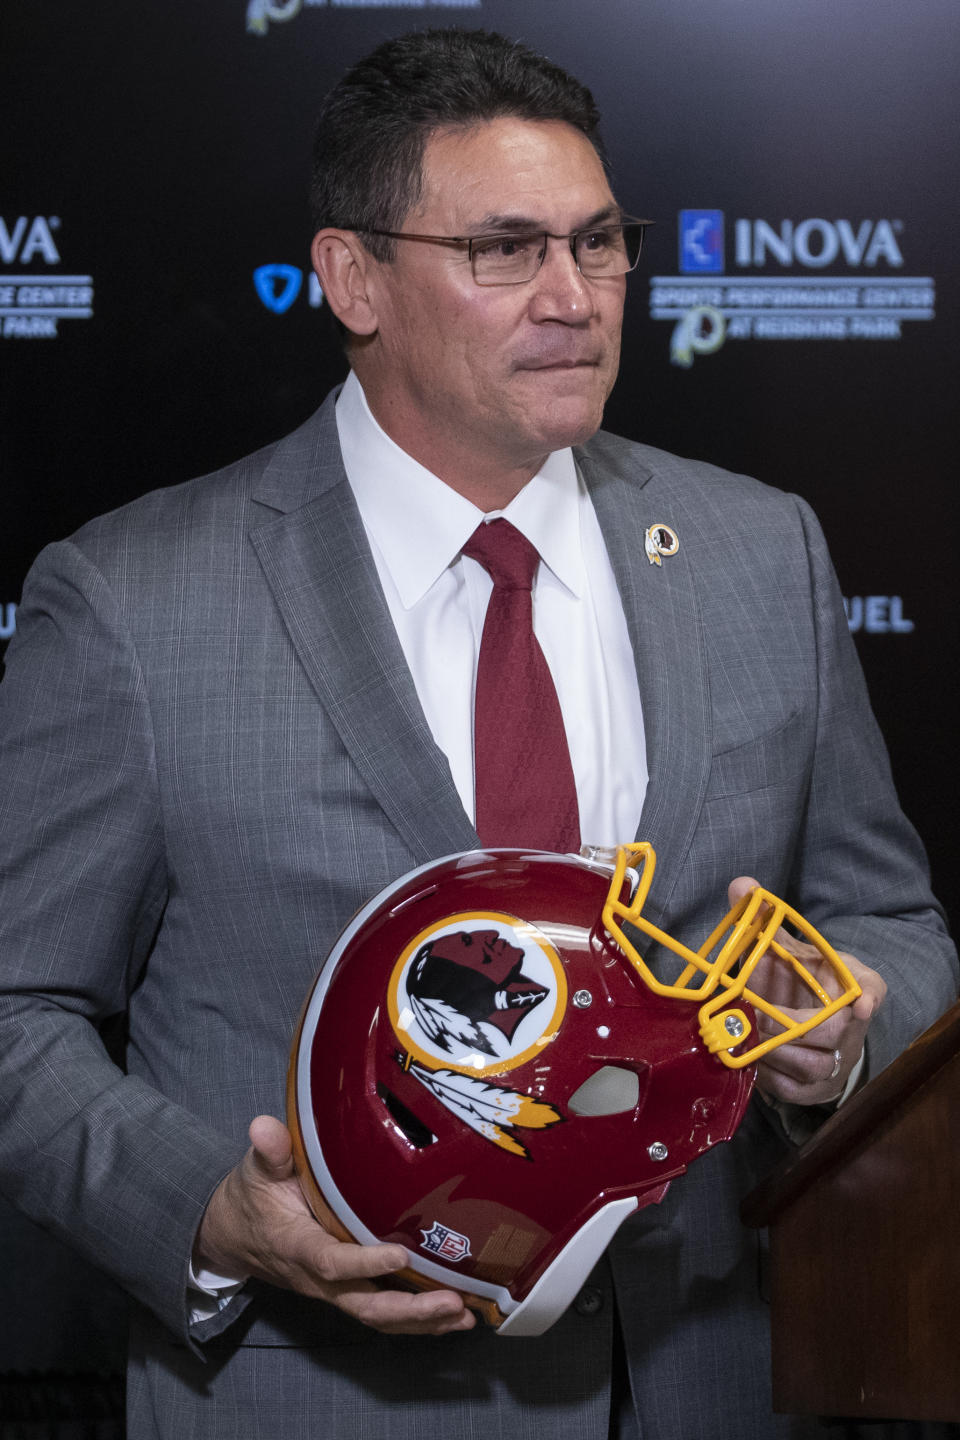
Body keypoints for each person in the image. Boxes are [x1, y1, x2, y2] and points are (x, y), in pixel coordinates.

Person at [0, 27, 955, 1440]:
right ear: (353, 279)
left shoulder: (764, 554)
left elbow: (896, 923)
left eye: (599, 243)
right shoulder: (136, 600)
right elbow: (17, 1017)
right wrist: (213, 1210)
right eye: (504, 250)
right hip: (314, 1397)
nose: (573, 298)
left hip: (709, 1383)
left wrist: (844, 1031)